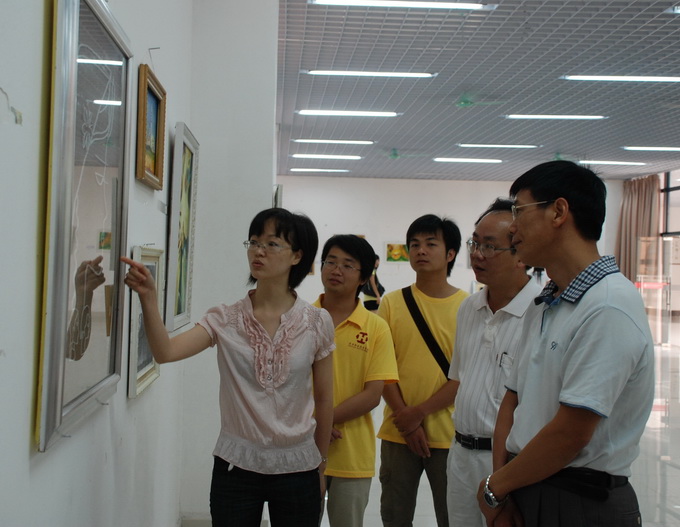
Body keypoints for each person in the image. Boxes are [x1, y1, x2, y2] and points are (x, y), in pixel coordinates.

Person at [121, 208, 335, 527]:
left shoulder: (317, 322)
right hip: (236, 468)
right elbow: (165, 351)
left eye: (272, 243)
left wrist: (321, 462)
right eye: (254, 242)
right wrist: (149, 298)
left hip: (298, 466)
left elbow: (325, 398)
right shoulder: (226, 318)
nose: (258, 251)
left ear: (297, 256)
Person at [476, 161, 654, 527]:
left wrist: (494, 487)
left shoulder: (608, 305)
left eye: (519, 211)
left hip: (580, 500)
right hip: (526, 484)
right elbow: (513, 399)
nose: (512, 228)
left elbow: (571, 433)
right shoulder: (547, 303)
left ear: (558, 211)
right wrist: (502, 489)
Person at [445, 198, 541, 527]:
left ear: (520, 255)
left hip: (510, 463)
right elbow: (459, 377)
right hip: (461, 453)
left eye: (489, 246)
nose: (477, 254)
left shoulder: (541, 313)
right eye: (474, 243)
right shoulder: (468, 308)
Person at [377, 214, 468, 527]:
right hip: (398, 430)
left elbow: (465, 374)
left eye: (431, 243)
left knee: (451, 516)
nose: (421, 250)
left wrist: (418, 413)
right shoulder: (392, 303)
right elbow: (381, 369)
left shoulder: (468, 306)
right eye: (414, 244)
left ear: (450, 253)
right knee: (394, 515)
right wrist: (406, 418)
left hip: (449, 434)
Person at [314, 235, 399, 527]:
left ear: (363, 276)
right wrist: (314, 425)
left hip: (352, 454)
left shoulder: (376, 327)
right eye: (330, 262)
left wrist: (321, 422)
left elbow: (373, 394)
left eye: (348, 265)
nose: (336, 270)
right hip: (300, 449)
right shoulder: (300, 319)